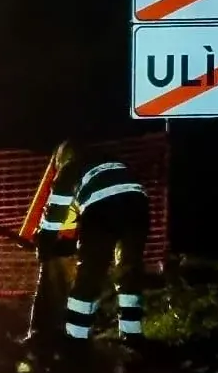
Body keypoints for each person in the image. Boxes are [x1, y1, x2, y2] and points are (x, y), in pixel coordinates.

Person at [33, 139, 150, 350]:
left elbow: (57, 208)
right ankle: (132, 334)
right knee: (129, 269)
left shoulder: (70, 167)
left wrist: (45, 239)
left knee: (89, 274)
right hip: (138, 207)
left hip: (102, 209)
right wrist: (72, 241)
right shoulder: (109, 160)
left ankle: (76, 337)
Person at [21, 144, 80, 354]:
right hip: (66, 240)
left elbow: (54, 203)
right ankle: (55, 334)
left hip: (68, 239)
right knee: (53, 283)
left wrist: (42, 236)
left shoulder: (68, 166)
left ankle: (54, 335)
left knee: (57, 285)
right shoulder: (78, 161)